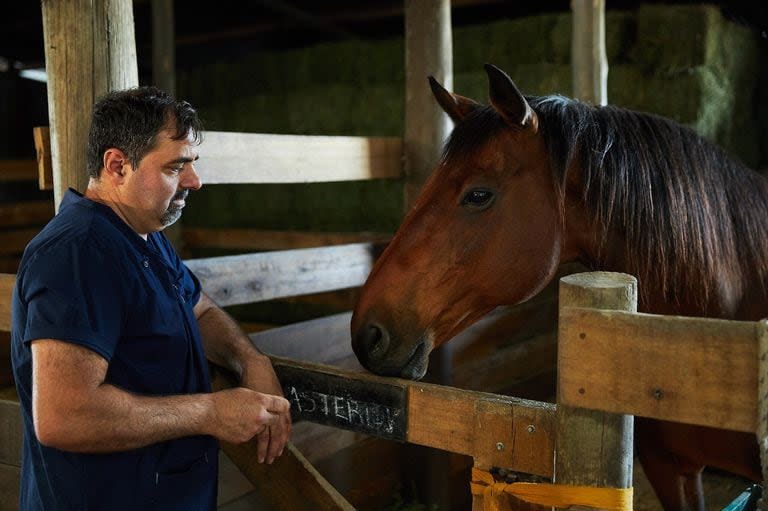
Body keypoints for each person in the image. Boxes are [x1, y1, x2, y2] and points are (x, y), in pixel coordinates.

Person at [10, 86, 292, 510]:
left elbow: (201, 310)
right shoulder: (78, 254)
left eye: (192, 164)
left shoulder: (144, 235)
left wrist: (250, 359)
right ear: (117, 165)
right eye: (177, 166)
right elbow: (64, 416)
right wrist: (210, 412)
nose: (195, 181)